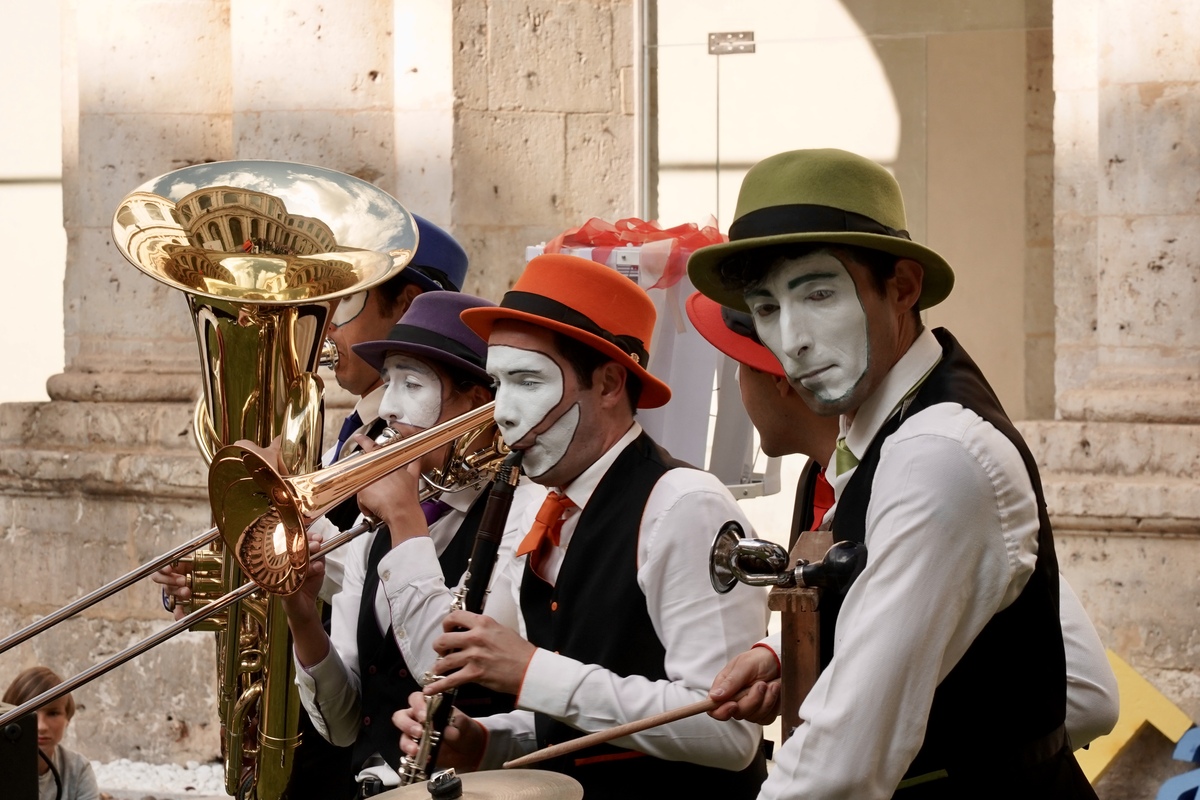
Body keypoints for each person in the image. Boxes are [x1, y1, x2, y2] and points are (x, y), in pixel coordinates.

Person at [687, 148, 1116, 798]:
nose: (791, 341)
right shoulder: (879, 434)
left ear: (903, 288)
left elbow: (841, 768)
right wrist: (790, 655)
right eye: (768, 308)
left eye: (820, 293)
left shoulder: (937, 455)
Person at [391, 254, 771, 799]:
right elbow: (583, 717)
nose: (502, 413)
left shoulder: (684, 506)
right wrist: (484, 742)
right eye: (498, 383)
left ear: (611, 383)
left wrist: (530, 672)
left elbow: (727, 731)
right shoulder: (548, 506)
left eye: (527, 381)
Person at [690, 290, 1118, 744]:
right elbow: (895, 620)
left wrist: (912, 750)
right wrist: (786, 655)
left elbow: (1089, 695)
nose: (737, 386)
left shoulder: (931, 472)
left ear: (782, 378)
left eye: (740, 368)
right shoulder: (823, 480)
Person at [152, 216, 471, 799]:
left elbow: (379, 575)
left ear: (407, 304)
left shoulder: (452, 478)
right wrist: (224, 578)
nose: (322, 326)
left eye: (342, 300)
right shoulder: (342, 436)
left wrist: (292, 531)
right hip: (330, 723)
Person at [280, 291, 534, 796]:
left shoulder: (523, 513)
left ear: (478, 405)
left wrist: (403, 516)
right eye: (389, 382)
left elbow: (446, 678)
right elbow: (344, 724)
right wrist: (302, 616)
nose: (390, 407)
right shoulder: (376, 530)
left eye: (412, 384)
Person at [3, 666, 100, 800]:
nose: (41, 726)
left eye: (53, 713)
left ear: (68, 718)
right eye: (29, 715)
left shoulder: (77, 770)